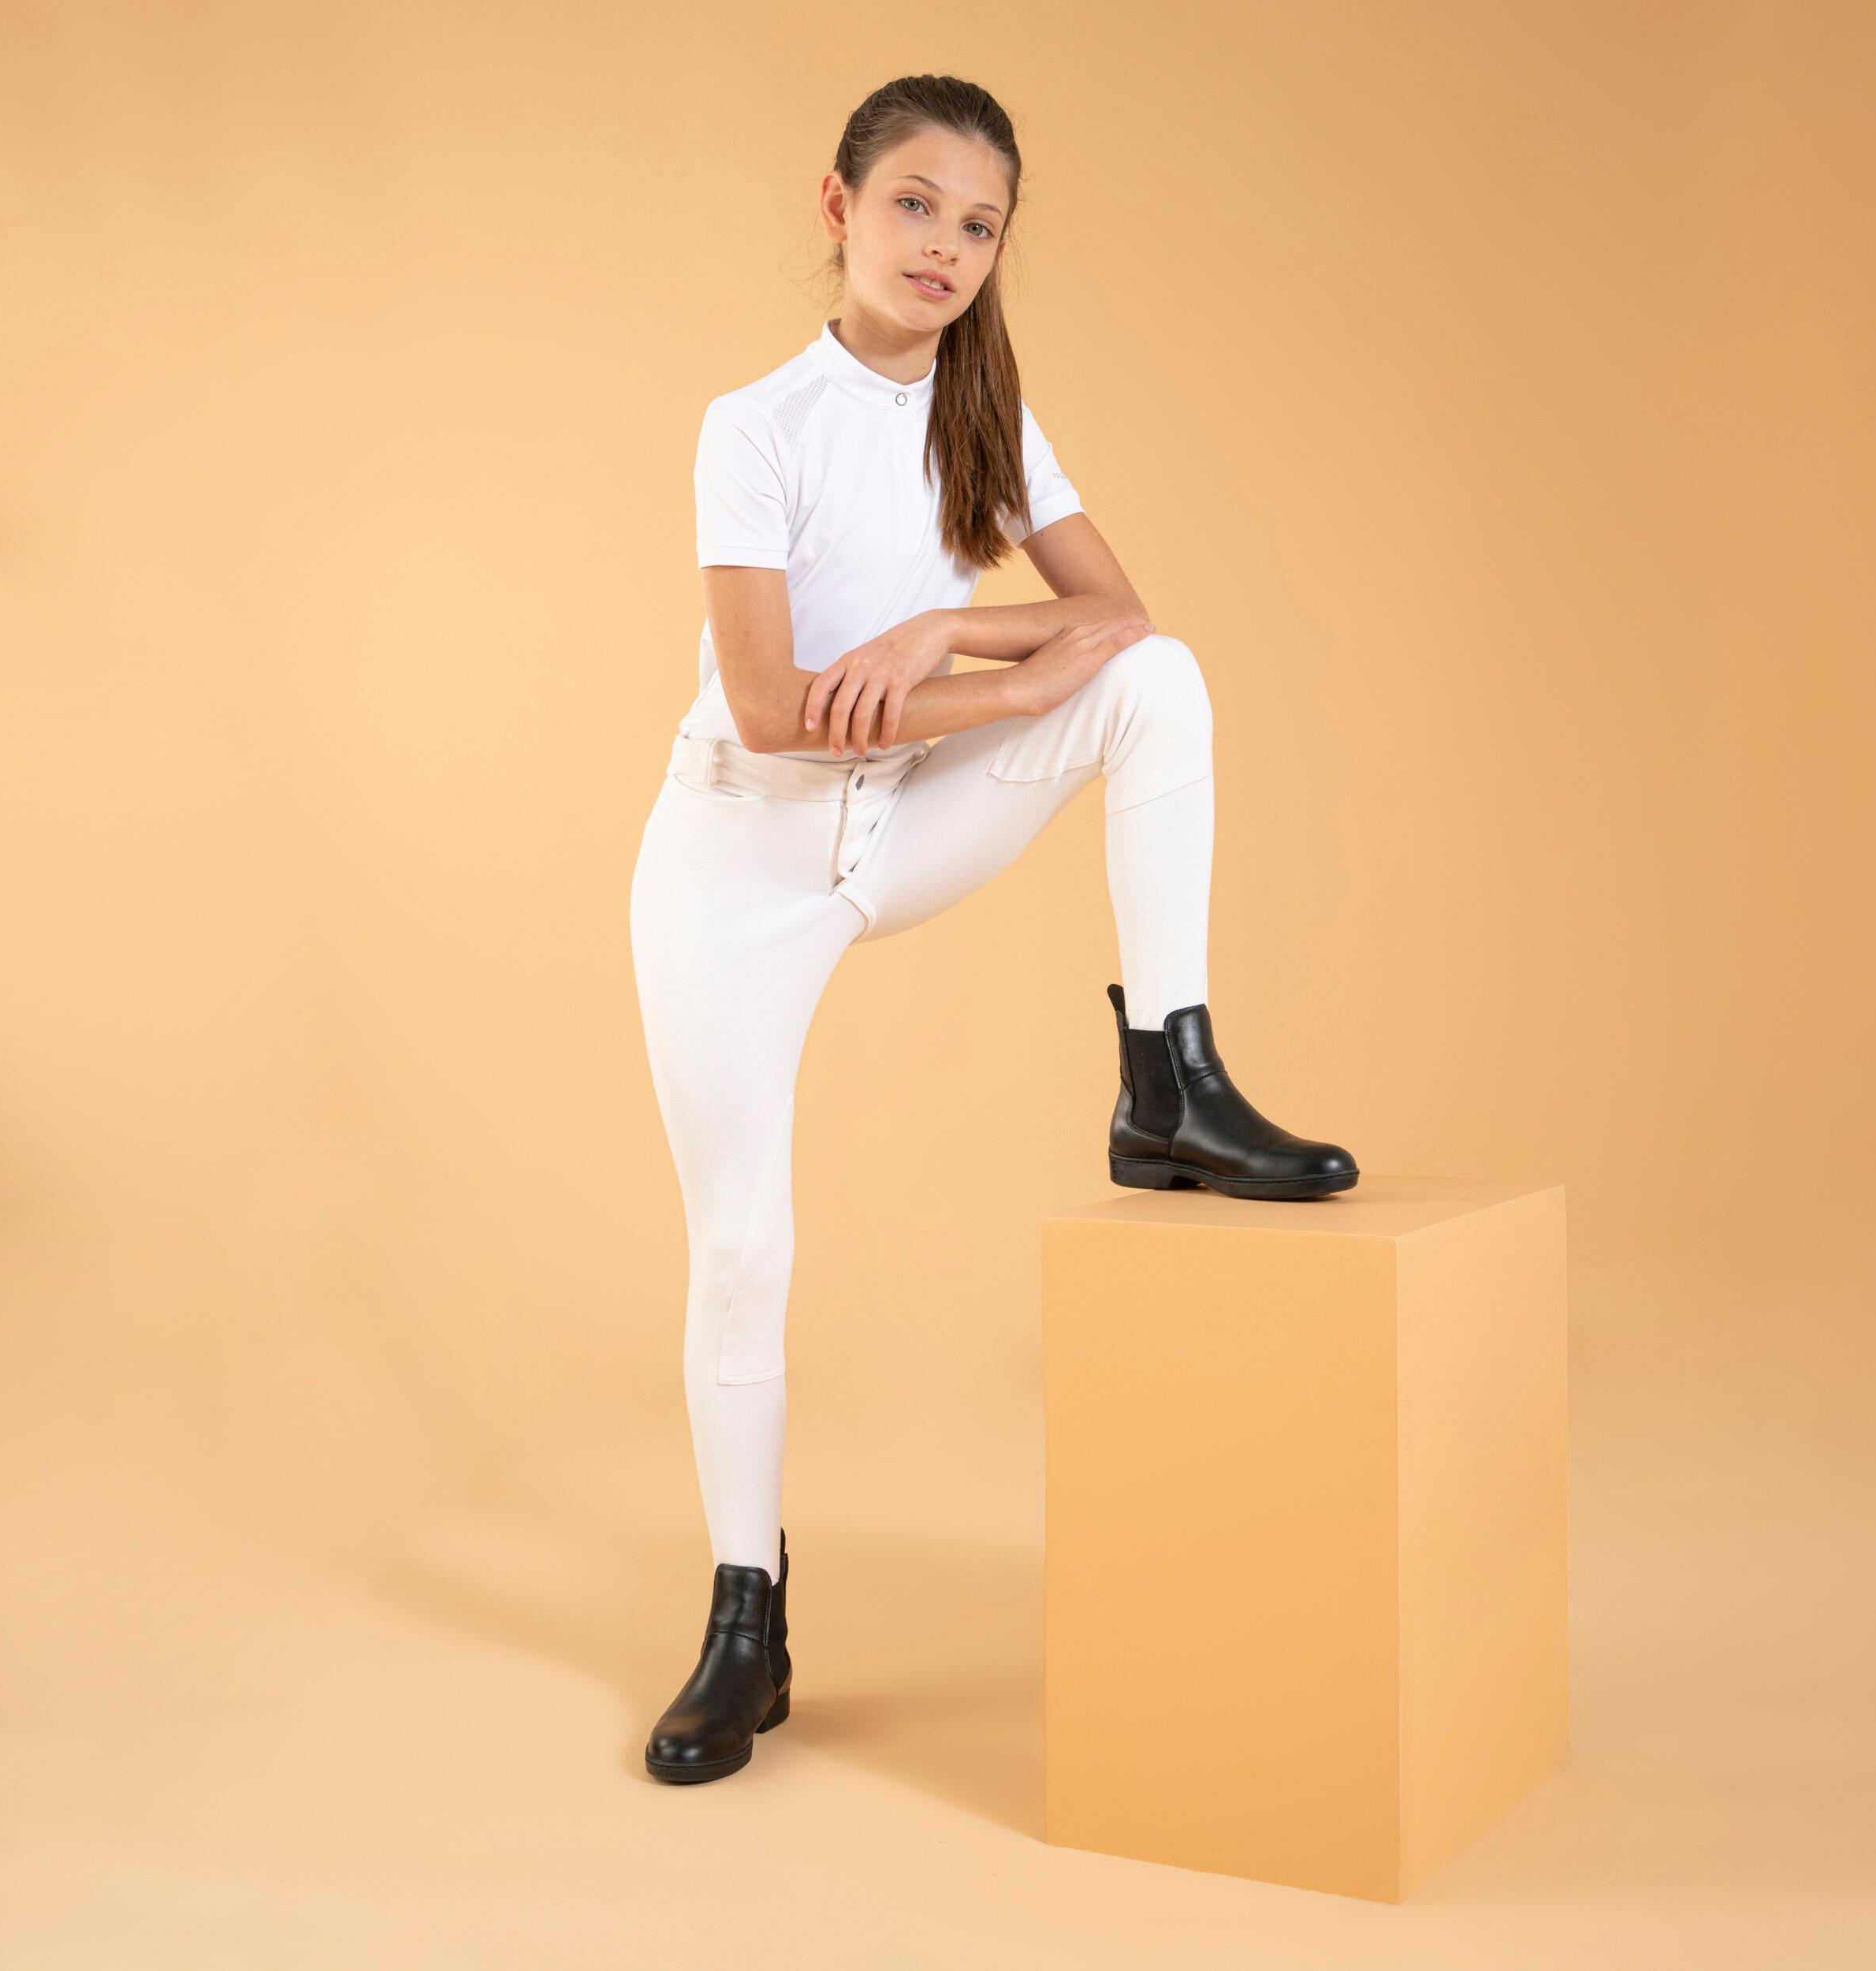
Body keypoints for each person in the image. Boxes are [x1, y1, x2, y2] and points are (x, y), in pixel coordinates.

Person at [631, 73, 1357, 1785]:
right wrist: (983, 677)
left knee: (1160, 683)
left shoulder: (986, 411)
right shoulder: (756, 423)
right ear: (837, 207)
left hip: (900, 824)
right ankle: (748, 1614)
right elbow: (767, 706)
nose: (944, 245)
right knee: (741, 1244)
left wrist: (945, 627)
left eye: (977, 222)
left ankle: (1167, 1082)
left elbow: (1119, 615)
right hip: (735, 865)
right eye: (912, 206)